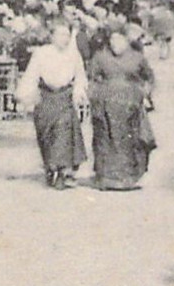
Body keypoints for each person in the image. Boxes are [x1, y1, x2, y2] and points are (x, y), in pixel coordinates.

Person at [18, 20, 89, 189]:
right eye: (60, 34)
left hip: (64, 97)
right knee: (46, 133)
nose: (64, 39)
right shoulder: (42, 53)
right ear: (52, 36)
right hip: (45, 97)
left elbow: (80, 76)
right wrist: (26, 95)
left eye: (67, 35)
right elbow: (31, 75)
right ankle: (51, 168)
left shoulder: (73, 54)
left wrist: (79, 92)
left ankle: (62, 172)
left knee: (63, 133)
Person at [86, 24, 157, 190]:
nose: (115, 43)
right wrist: (95, 94)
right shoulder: (100, 57)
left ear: (126, 40)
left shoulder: (137, 57)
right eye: (112, 40)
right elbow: (92, 77)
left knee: (129, 141)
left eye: (119, 39)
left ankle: (127, 178)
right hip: (105, 105)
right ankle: (105, 177)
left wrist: (144, 92)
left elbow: (149, 77)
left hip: (130, 105)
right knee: (105, 139)